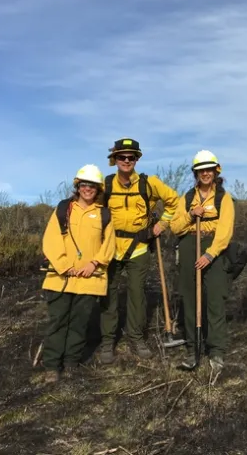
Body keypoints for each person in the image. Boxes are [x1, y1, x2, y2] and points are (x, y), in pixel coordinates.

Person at [100, 138, 179, 363]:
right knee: (109, 296)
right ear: (114, 159)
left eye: (131, 157)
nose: (126, 161)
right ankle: (107, 342)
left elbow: (173, 201)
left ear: (137, 159)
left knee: (137, 295)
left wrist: (160, 225)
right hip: (110, 249)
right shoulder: (105, 185)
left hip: (139, 248)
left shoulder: (148, 183)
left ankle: (136, 338)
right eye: (122, 157)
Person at [41, 164, 116, 383]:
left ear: (98, 189)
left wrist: (94, 263)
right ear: (78, 186)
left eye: (92, 186)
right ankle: (52, 367)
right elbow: (51, 240)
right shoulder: (64, 209)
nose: (88, 189)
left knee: (79, 323)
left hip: (88, 280)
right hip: (60, 279)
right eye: (84, 185)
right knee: (57, 322)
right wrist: (64, 265)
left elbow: (109, 246)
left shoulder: (103, 214)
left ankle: (72, 363)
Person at [170, 150, 235, 372]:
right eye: (201, 170)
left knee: (215, 299)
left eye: (209, 169)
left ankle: (216, 350)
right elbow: (175, 227)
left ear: (216, 171)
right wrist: (191, 215)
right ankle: (192, 348)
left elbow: (225, 230)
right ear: (195, 173)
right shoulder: (187, 197)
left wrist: (210, 254)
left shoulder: (223, 197)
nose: (205, 173)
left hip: (213, 249)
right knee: (189, 299)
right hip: (189, 246)